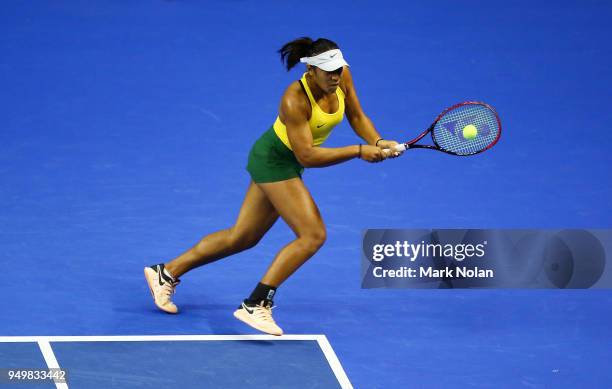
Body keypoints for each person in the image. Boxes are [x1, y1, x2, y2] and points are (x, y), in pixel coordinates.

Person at [144, 37, 403, 336]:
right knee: (312, 235)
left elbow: (356, 115)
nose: (335, 76)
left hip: (285, 162)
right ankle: (256, 303)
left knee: (242, 237)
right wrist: (358, 151)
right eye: (328, 70)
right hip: (275, 161)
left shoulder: (342, 78)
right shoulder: (294, 99)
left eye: (339, 69)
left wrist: (377, 141)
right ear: (310, 70)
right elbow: (307, 154)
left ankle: (166, 273)